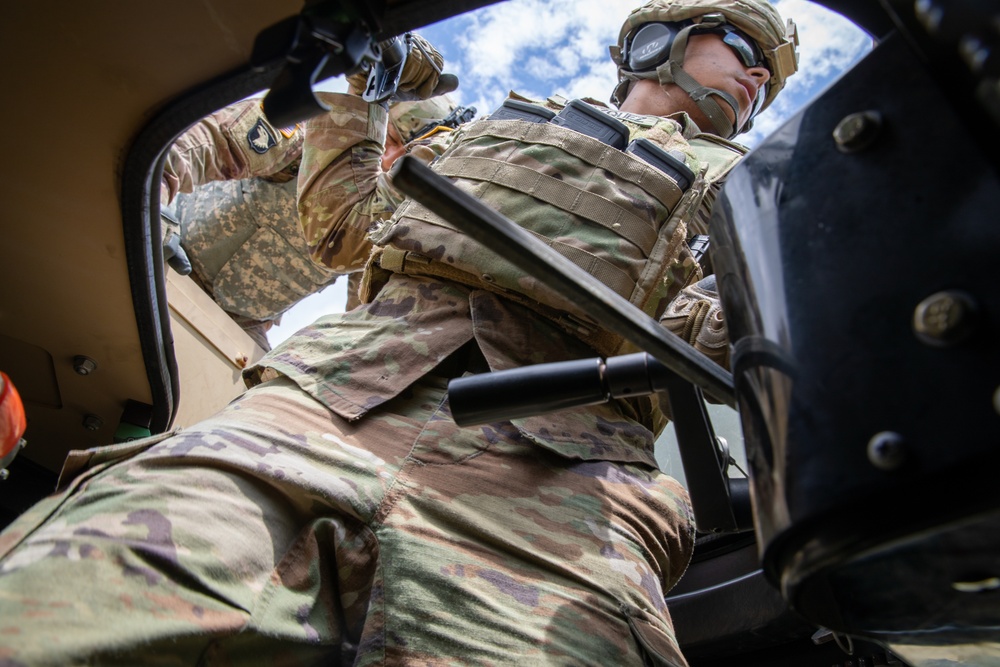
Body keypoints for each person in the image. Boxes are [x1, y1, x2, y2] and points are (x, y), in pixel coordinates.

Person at [0, 3, 797, 665]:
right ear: (656, 41)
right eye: (742, 47)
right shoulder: (482, 130)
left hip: (566, 498)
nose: (757, 78)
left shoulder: (757, 190)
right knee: (54, 608)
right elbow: (345, 226)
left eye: (767, 77)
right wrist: (363, 93)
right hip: (321, 412)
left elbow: (710, 339)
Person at [160, 88, 472, 348]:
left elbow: (363, 312)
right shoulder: (312, 137)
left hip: (239, 321)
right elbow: (205, 143)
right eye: (388, 140)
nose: (388, 159)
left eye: (403, 156)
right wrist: (154, 211)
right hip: (166, 246)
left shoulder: (375, 218)